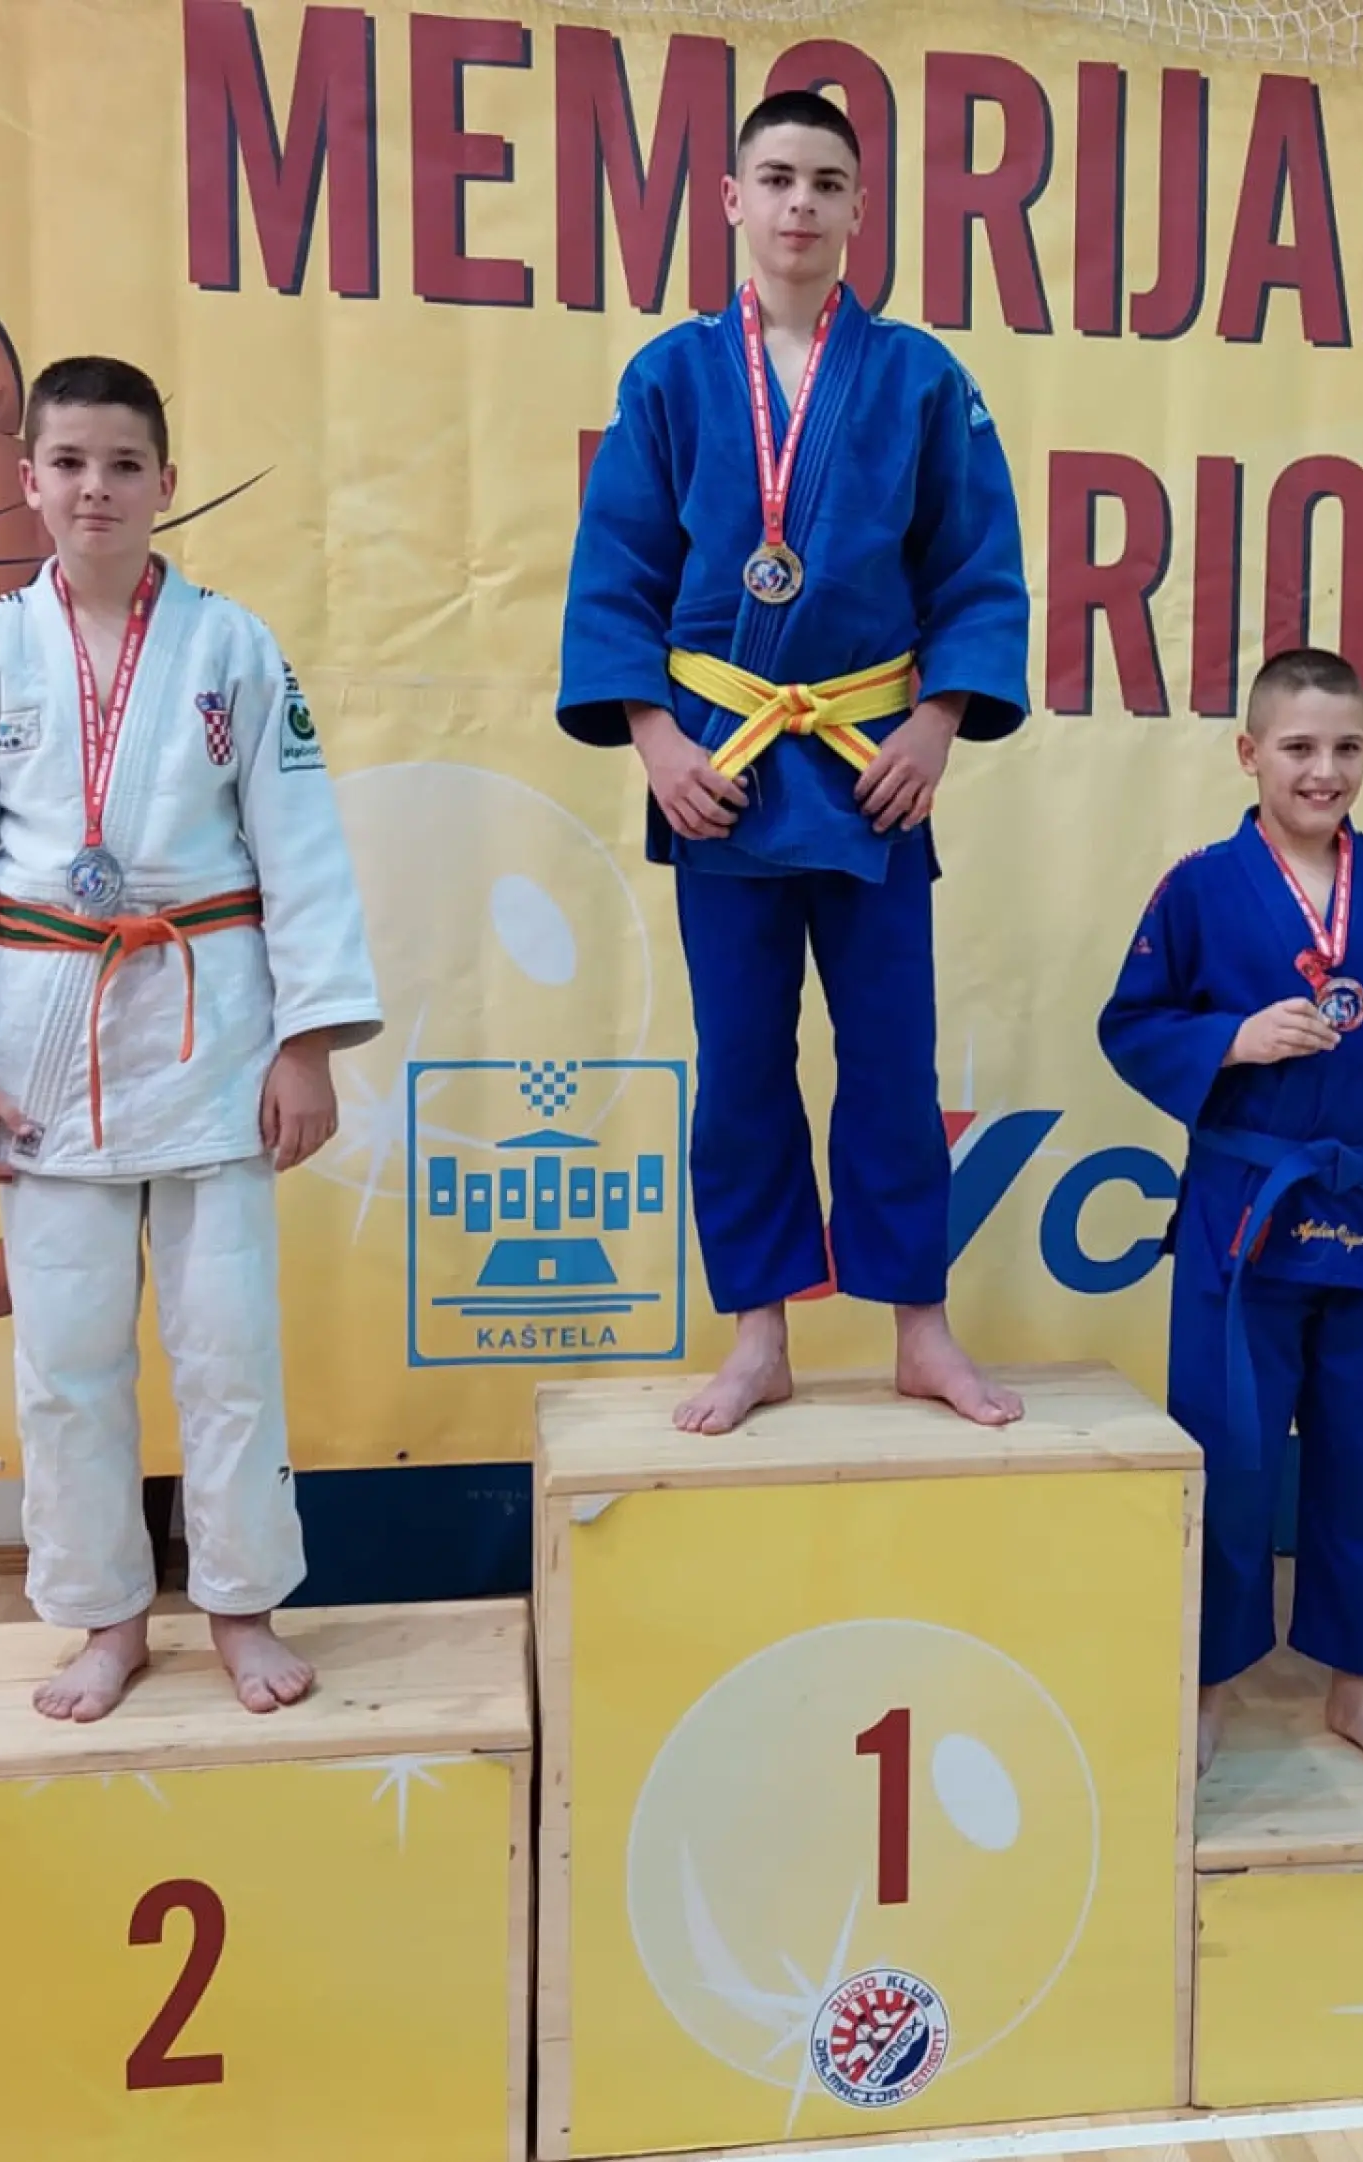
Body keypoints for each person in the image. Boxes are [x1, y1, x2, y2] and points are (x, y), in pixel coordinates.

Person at [0, 356, 384, 1721]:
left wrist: (309, 1043)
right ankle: (104, 1616)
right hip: (40, 1034)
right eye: (71, 462)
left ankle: (242, 1606)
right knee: (67, 1360)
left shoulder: (232, 648)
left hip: (212, 1027)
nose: (97, 487)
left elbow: (301, 847)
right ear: (27, 481)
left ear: (166, 482)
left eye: (124, 464)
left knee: (229, 1347)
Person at [557, 90, 1032, 1436]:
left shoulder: (921, 378)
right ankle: (758, 1333)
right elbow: (617, 573)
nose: (801, 204)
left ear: (861, 208)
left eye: (826, 182)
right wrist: (655, 739)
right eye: (776, 178)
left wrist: (937, 722)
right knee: (743, 1063)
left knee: (892, 1061)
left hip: (873, 768)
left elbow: (975, 567)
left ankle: (920, 1328)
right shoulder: (669, 378)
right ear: (732, 200)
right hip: (726, 773)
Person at [1101, 650, 1363, 1777]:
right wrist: (1229, 1039)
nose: (1322, 770)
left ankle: (1358, 1688)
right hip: (1244, 1223)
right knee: (1231, 1461)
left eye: (1345, 747)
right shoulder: (1200, 887)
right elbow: (1130, 1023)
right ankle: (1207, 1685)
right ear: (1249, 753)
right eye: (1297, 747)